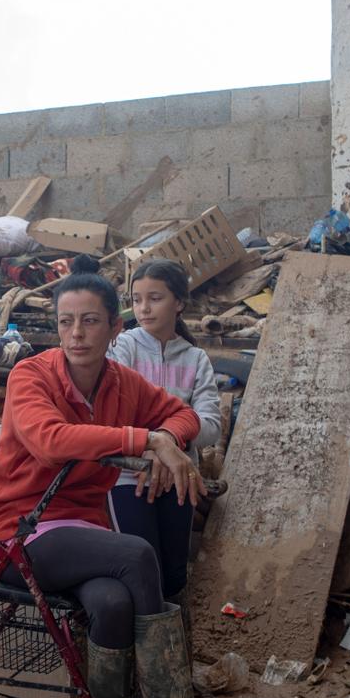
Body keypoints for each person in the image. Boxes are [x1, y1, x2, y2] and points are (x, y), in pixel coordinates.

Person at [0, 268, 250, 698]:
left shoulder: (123, 383)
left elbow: (182, 415)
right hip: (18, 532)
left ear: (114, 328)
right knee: (139, 554)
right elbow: (53, 440)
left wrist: (166, 434)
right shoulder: (30, 375)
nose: (76, 333)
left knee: (113, 604)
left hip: (81, 532)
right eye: (66, 322)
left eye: (90, 322)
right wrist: (149, 441)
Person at [107, 258, 221, 617]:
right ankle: (134, 659)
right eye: (136, 299)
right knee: (142, 567)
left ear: (180, 303)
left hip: (178, 479)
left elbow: (211, 424)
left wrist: (168, 441)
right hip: (128, 475)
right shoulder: (124, 347)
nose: (143, 308)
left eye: (154, 298)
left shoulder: (196, 358)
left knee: (173, 574)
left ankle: (170, 655)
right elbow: (117, 413)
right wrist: (154, 444)